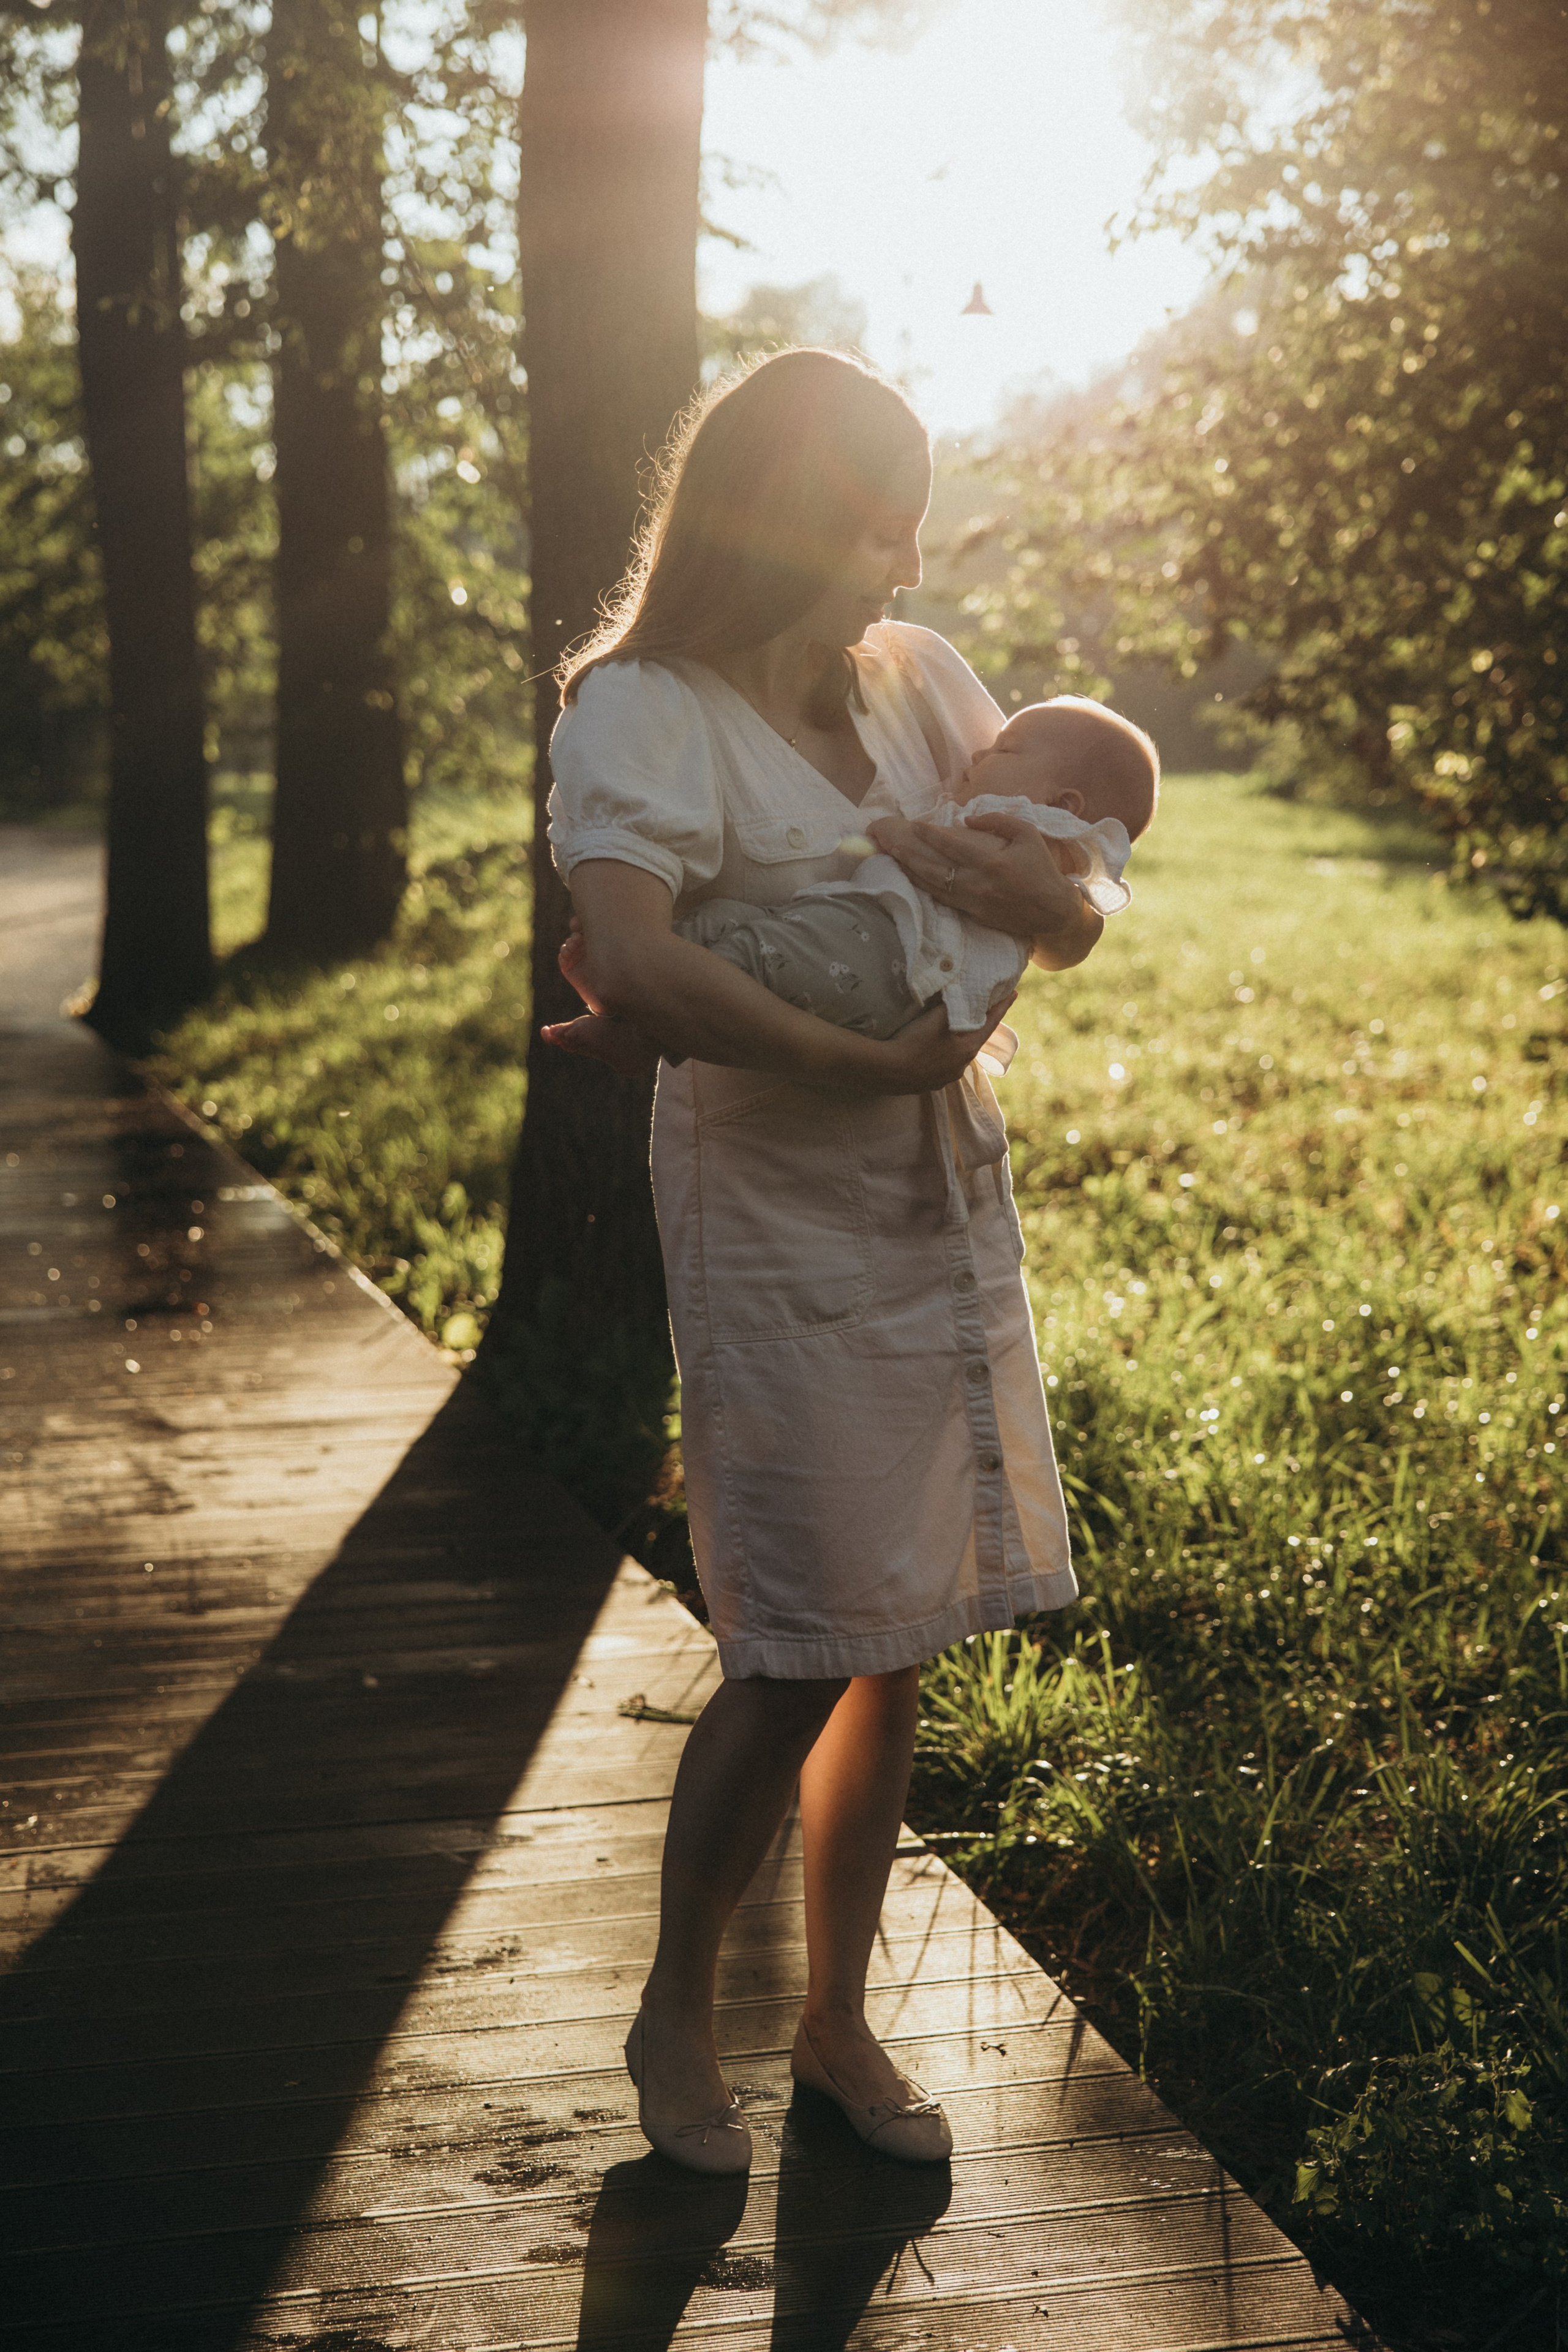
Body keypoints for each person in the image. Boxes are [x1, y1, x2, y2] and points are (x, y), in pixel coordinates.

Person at [543, 348, 1105, 2175]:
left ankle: (835, 2011)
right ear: (776, 511)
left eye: (914, 521)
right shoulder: (642, 706)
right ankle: (670, 2009)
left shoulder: (920, 682)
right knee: (792, 1636)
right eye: (878, 521)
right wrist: (865, 1049)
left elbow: (1071, 877)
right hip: (776, 1210)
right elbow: (626, 955)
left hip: (934, 1202)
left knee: (897, 1630)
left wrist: (1055, 905)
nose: (904, 562)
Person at [548, 690, 1157, 1072]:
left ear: (1064, 802)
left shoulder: (1024, 825)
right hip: (874, 956)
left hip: (892, 964)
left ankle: (647, 1028)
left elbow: (1059, 930)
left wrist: (889, 832)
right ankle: (644, 1017)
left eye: (1007, 748)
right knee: (747, 941)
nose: (979, 755)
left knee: (761, 955)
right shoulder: (647, 694)